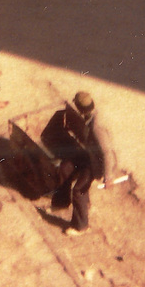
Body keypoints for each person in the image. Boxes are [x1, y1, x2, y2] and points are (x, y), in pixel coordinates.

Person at [40, 91, 108, 235]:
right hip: (87, 155)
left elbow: (108, 153)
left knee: (79, 190)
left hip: (96, 164)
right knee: (65, 169)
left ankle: (81, 226)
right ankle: (61, 202)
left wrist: (107, 175)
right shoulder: (87, 116)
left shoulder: (98, 127)